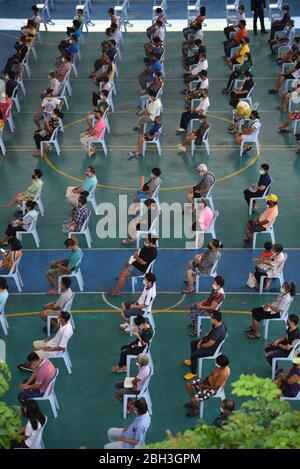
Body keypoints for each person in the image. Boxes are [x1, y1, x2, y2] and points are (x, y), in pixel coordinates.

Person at [183, 310, 227, 380]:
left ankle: (193, 373)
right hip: (208, 341)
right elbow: (209, 332)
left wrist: (201, 345)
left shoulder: (218, 331)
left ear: (215, 320)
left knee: (193, 355)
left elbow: (210, 344)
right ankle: (193, 362)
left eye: (211, 318)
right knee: (193, 343)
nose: (210, 319)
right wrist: (201, 340)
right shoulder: (218, 323)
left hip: (212, 349)